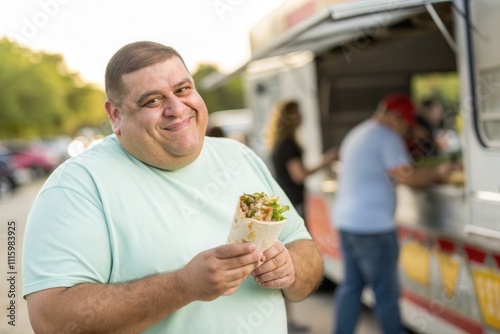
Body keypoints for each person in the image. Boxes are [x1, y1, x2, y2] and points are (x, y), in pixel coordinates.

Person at [22, 41, 324, 334]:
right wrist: (183, 286)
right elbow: (51, 320)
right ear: (115, 115)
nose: (176, 109)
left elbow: (305, 248)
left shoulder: (239, 157)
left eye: (183, 90)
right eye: (152, 100)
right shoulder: (77, 187)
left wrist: (290, 268)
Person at [330, 93, 456, 334]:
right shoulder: (386, 136)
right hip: (373, 228)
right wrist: (440, 173)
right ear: (395, 117)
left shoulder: (359, 132)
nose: (404, 131)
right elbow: (407, 176)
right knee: (386, 293)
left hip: (347, 222)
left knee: (351, 287)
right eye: (404, 124)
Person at [268, 100, 337, 333]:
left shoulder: (279, 142)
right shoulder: (288, 145)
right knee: (291, 261)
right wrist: (325, 161)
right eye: (298, 113)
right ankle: (288, 321)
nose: (302, 117)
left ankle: (287, 320)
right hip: (293, 205)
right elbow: (299, 175)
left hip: (287, 206)